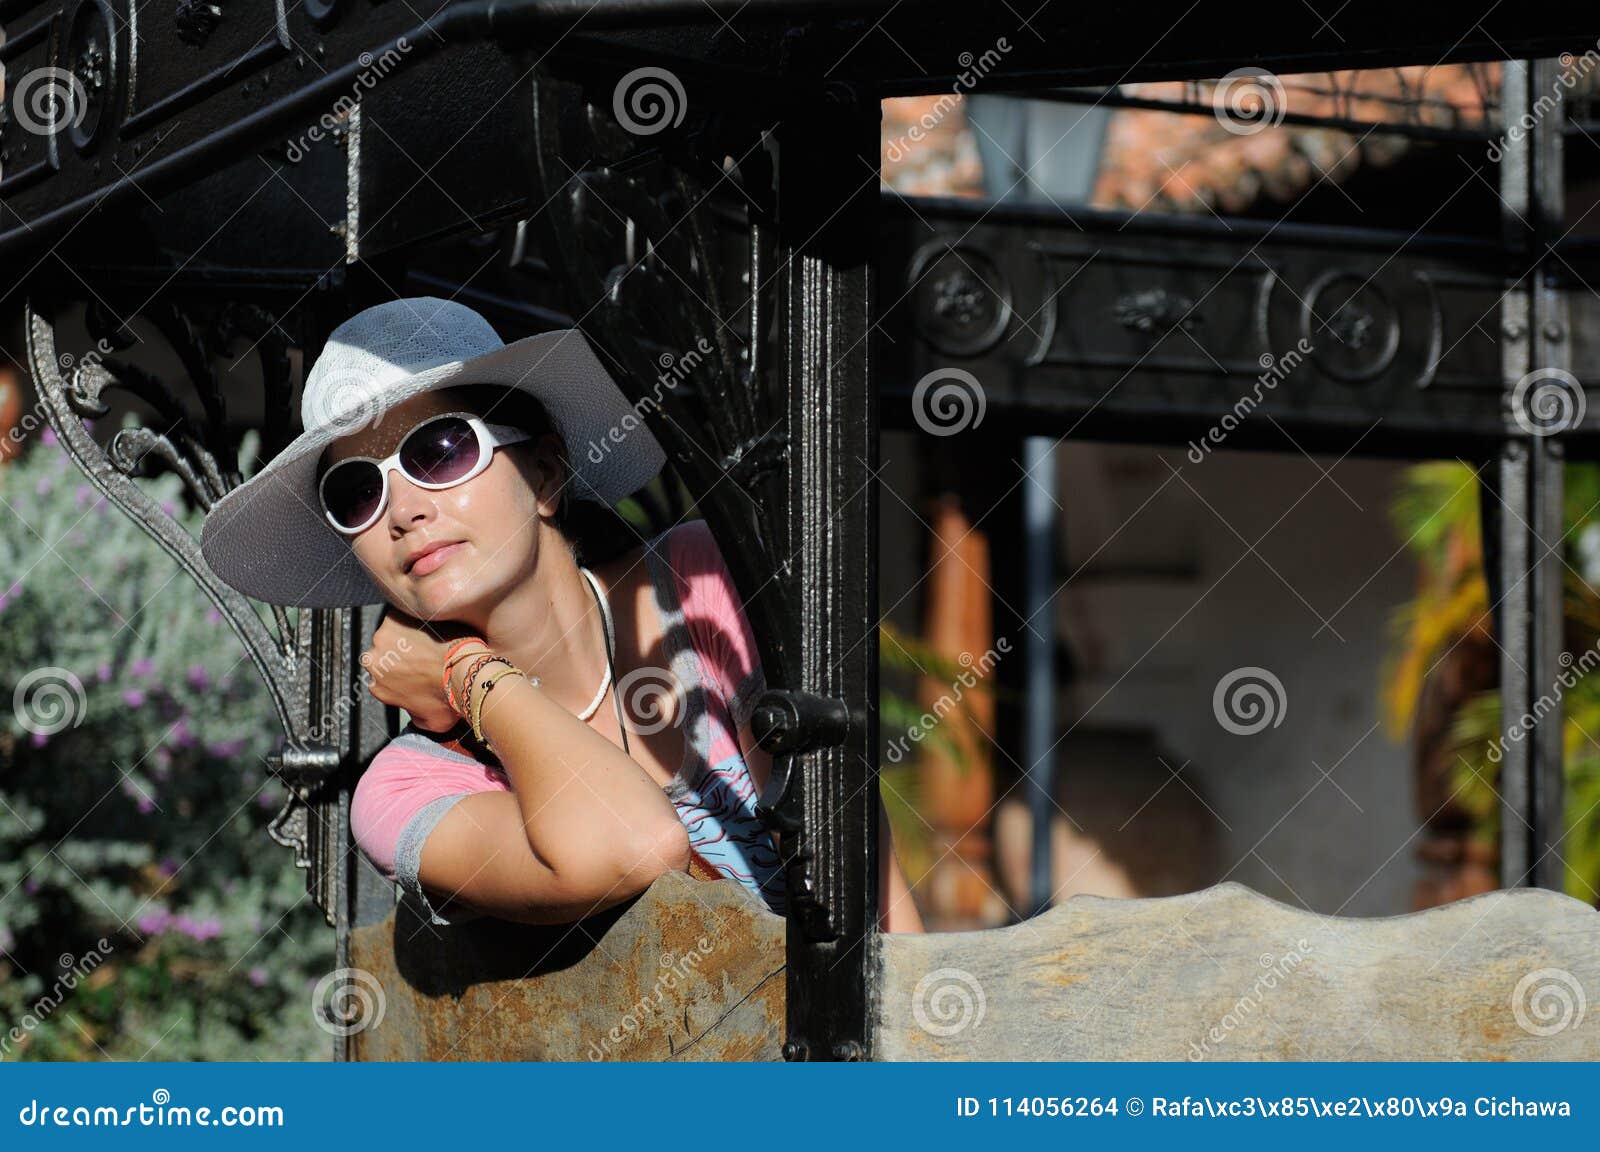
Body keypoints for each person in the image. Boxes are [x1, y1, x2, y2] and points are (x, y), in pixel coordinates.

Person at [200, 297, 923, 932]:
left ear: (545, 472)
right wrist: (472, 675)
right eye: (358, 493)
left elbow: (867, 876)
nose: (405, 510)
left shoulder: (704, 581)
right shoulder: (403, 789)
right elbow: (633, 846)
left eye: (440, 451)